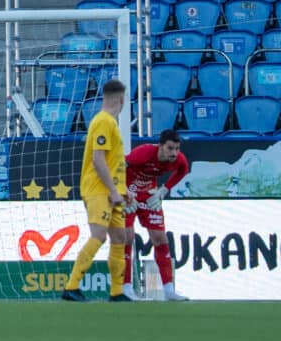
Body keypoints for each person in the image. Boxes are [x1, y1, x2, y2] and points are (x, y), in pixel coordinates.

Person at [60, 79, 131, 303]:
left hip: (112, 191)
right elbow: (97, 159)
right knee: (99, 236)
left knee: (119, 237)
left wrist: (122, 188)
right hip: (99, 191)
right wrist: (112, 189)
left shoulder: (109, 122)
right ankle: (71, 286)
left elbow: (111, 162)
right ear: (121, 99)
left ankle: (117, 292)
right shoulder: (103, 121)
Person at [122, 131, 189, 301]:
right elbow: (119, 166)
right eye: (170, 148)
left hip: (149, 195)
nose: (174, 153)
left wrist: (164, 190)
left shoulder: (179, 159)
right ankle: (126, 287)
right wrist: (123, 191)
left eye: (177, 148)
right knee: (127, 238)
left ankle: (169, 290)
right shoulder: (143, 153)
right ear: (160, 146)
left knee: (160, 238)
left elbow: (183, 170)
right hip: (128, 196)